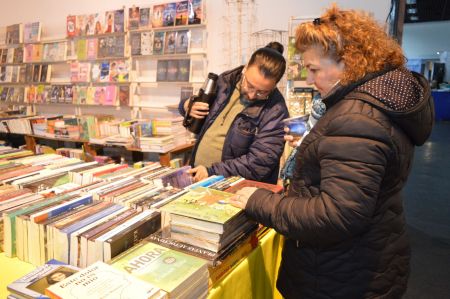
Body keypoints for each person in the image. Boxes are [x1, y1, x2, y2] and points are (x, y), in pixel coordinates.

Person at [230, 5, 434, 299]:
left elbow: (338, 215)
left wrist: (259, 201)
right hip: (362, 263)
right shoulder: (375, 101)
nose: (310, 80)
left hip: (340, 276)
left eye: (314, 69)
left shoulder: (359, 118)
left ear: (348, 63)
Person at [179, 42, 289, 184]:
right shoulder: (225, 81)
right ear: (245, 68)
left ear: (274, 85)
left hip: (233, 189)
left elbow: (259, 164)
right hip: (198, 178)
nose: (252, 95)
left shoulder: (276, 111)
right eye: (249, 85)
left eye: (262, 92)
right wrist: (187, 106)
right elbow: (196, 112)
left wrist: (213, 172)